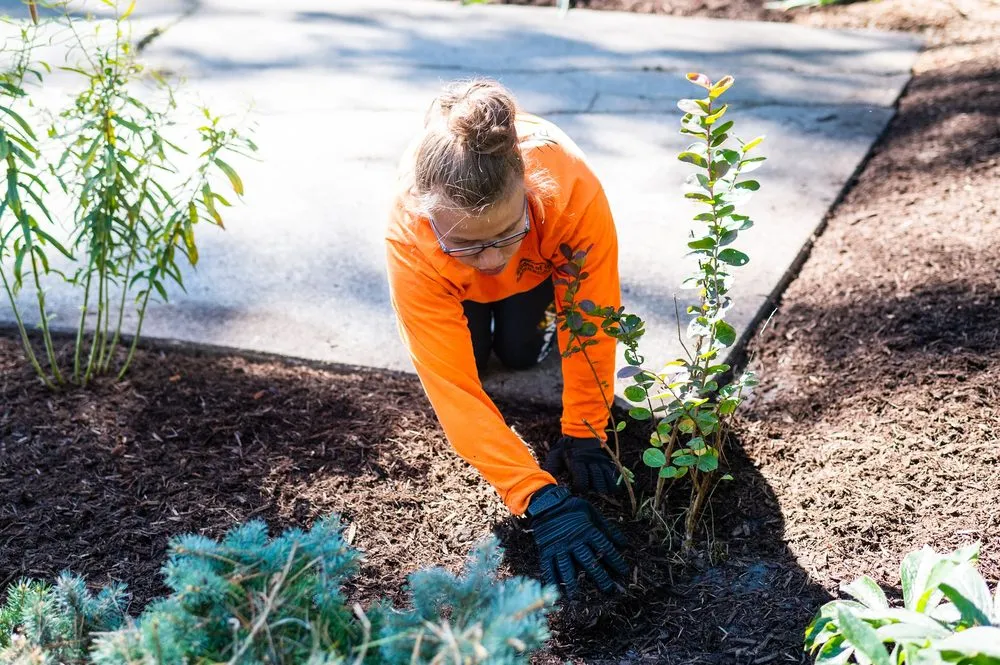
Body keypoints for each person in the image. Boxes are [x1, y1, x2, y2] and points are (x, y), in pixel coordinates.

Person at [385, 78, 628, 597]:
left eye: (505, 233)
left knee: (520, 353)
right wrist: (536, 497)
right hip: (454, 284)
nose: (492, 258)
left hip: (535, 270)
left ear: (529, 193)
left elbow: (592, 315)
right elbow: (452, 389)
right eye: (470, 243)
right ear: (430, 221)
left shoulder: (570, 187)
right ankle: (481, 267)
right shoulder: (410, 235)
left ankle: (509, 279)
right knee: (471, 362)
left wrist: (586, 429)